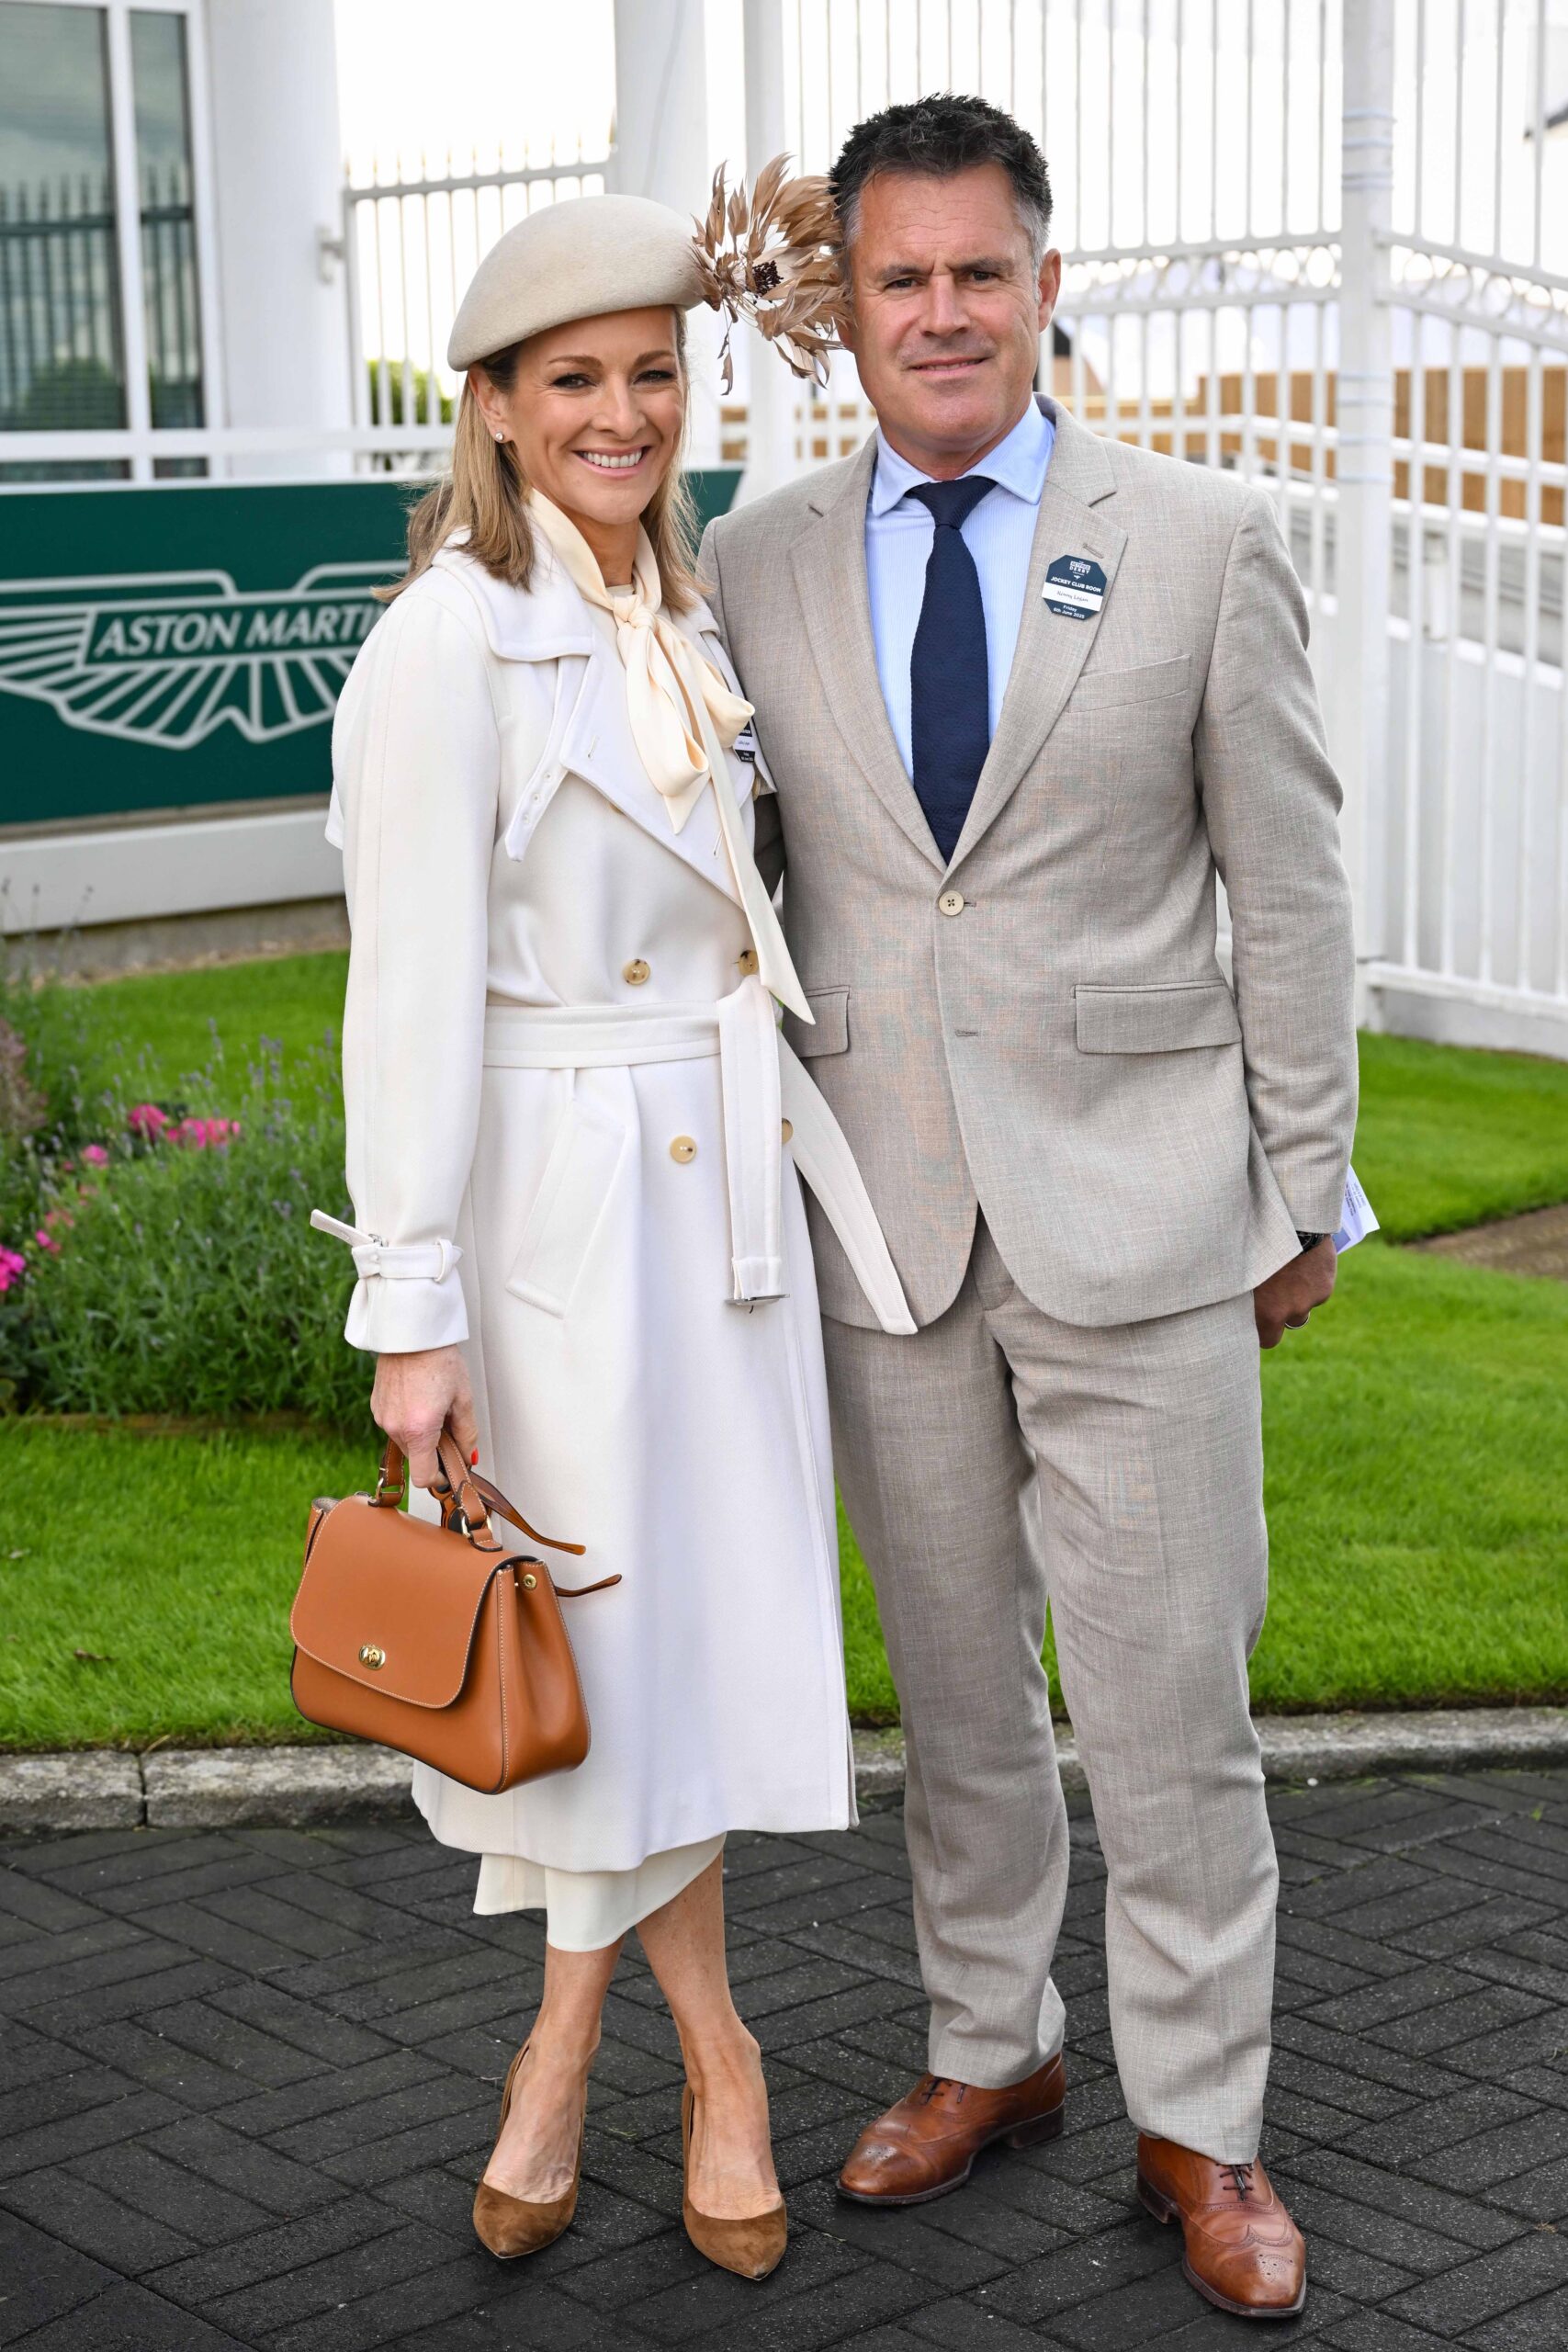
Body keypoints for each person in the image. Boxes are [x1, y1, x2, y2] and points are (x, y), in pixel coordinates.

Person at [701, 94, 1358, 2322]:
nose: (944, 311)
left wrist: (1305, 1184)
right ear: (847, 315)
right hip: (882, 1222)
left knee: (1170, 1702)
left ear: (1043, 284)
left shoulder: (1196, 536)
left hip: (1153, 1218)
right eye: (901, 279)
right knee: (959, 1696)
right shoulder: (753, 560)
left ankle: (1206, 2119)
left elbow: (1287, 883)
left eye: (982, 270)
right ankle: (992, 2047)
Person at [313, 191, 910, 2278]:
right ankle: (702, 2054)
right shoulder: (446, 644)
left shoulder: (680, 604)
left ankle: (575, 2045)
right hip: (562, 1217)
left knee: (671, 1662)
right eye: (572, 379)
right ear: (486, 407)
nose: (622, 412)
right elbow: (400, 996)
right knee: (600, 1665)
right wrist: (414, 1308)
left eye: (651, 373)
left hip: (715, 1195)